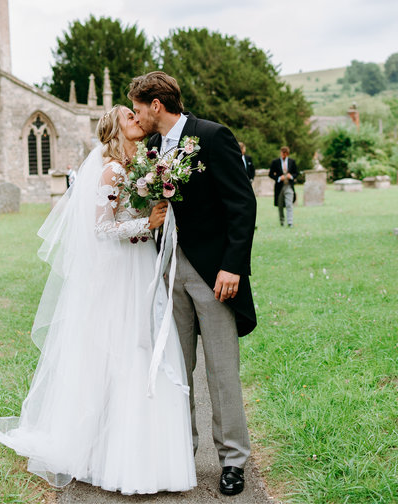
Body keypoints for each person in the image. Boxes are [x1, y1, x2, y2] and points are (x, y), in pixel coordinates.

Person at [0, 105, 196, 495]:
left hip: (138, 261)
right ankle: (105, 454)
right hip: (120, 268)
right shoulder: (113, 169)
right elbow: (102, 227)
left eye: (137, 115)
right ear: (116, 128)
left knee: (141, 344)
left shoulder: (138, 167)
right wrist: (145, 223)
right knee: (121, 348)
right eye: (129, 117)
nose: (137, 119)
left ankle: (142, 455)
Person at [131, 71, 257, 497]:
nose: (136, 116)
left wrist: (232, 267)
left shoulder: (213, 135)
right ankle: (181, 451)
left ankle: (233, 460)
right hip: (167, 271)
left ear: (156, 105)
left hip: (213, 274)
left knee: (222, 372)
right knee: (175, 370)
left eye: (137, 108)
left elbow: (242, 204)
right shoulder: (150, 148)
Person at [268, 146, 298, 227]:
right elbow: (270, 174)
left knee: (289, 204)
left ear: (287, 154)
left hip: (289, 186)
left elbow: (296, 173)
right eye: (282, 153)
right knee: (280, 205)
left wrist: (291, 176)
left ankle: (290, 222)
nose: (283, 155)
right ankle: (282, 221)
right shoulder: (275, 162)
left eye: (285, 153)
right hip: (279, 187)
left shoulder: (292, 161)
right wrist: (278, 178)